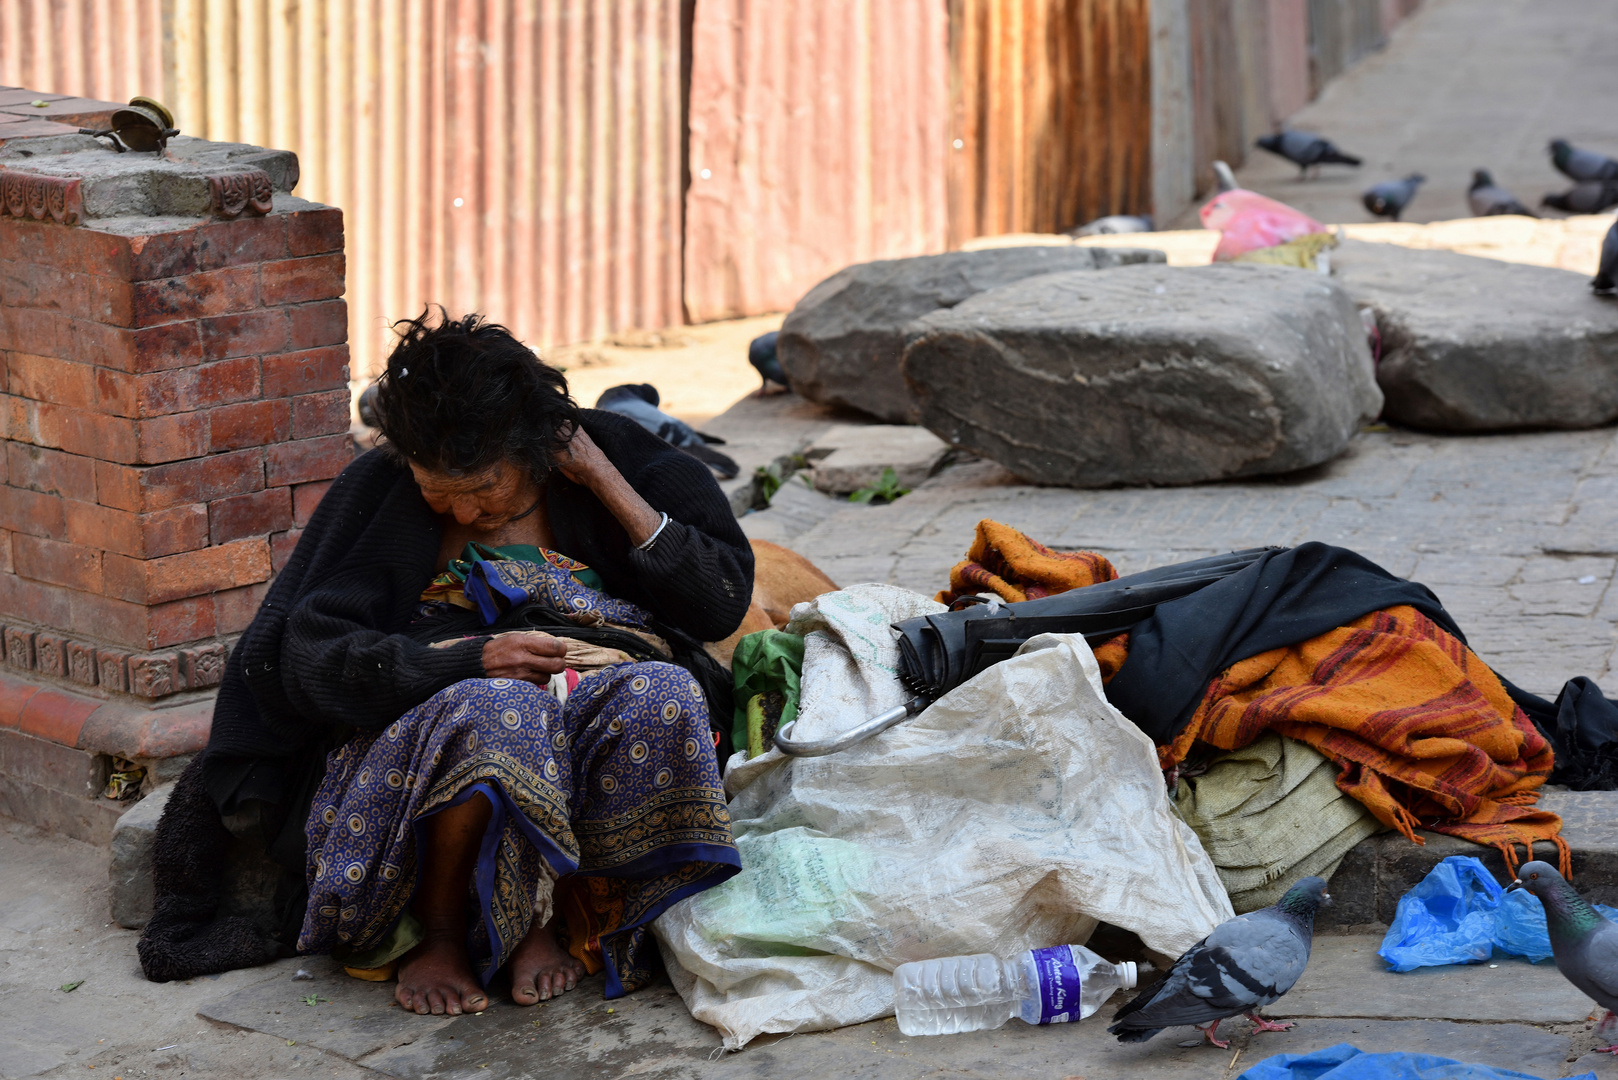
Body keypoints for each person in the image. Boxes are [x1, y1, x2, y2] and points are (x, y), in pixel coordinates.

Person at [194, 310, 751, 1017]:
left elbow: (720, 605)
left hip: (579, 716)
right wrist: (466, 660)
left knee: (664, 691)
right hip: (418, 748)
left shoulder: (616, 460)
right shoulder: (378, 492)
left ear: (541, 450)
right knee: (499, 707)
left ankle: (576, 913)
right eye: (437, 490)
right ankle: (444, 932)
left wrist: (603, 479)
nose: (462, 511)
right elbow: (304, 657)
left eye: (484, 487)